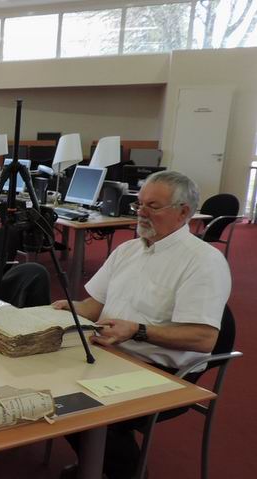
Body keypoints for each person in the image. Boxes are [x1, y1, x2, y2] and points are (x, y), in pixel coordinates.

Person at [53, 170, 231, 479]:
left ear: (183, 213)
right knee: (49, 389)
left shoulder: (203, 261)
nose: (141, 212)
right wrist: (68, 308)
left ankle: (123, 472)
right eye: (139, 204)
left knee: (82, 407)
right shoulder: (128, 250)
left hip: (162, 370)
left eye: (153, 206)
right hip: (111, 355)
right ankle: (97, 464)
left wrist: (137, 330)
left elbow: (203, 338)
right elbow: (93, 308)